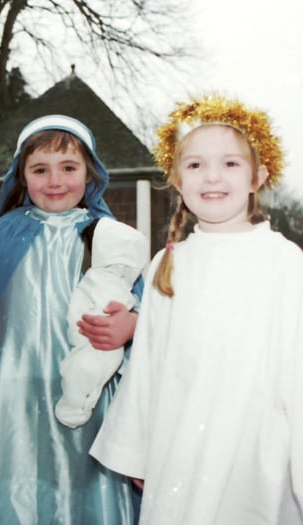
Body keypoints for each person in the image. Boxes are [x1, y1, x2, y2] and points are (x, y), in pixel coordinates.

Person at [90, 94, 303, 525]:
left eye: (230, 164)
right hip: (179, 446)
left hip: (258, 454)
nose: (212, 177)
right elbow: (147, 366)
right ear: (176, 179)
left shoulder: (285, 262)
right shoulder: (167, 264)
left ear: (257, 176)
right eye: (195, 165)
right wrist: (140, 452)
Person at [0, 114, 142, 524]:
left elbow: (139, 306)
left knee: (83, 484)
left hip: (90, 396)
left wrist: (132, 323)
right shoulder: (2, 235)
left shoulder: (108, 235)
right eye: (40, 170)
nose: (55, 180)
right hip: (15, 393)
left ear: (90, 174)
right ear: (22, 176)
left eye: (69, 168)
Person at [55, 217, 147, 429]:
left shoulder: (99, 277)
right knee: (89, 371)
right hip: (98, 340)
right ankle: (74, 408)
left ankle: (76, 405)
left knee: (86, 371)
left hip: (96, 337)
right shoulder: (107, 280)